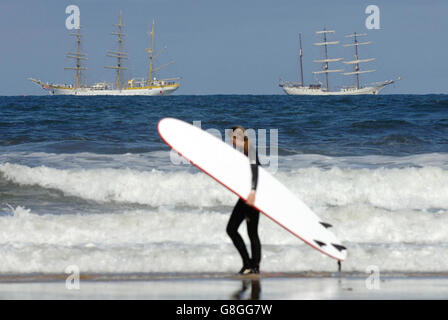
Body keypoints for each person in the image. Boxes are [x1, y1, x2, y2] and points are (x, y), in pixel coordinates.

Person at [226, 126, 261, 275]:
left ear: (238, 138)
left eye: (232, 138)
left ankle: (251, 265)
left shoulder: (250, 151)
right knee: (250, 232)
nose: (231, 141)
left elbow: (255, 171)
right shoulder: (240, 153)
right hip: (246, 196)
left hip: (251, 197)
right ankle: (251, 265)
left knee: (234, 229)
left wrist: (253, 192)